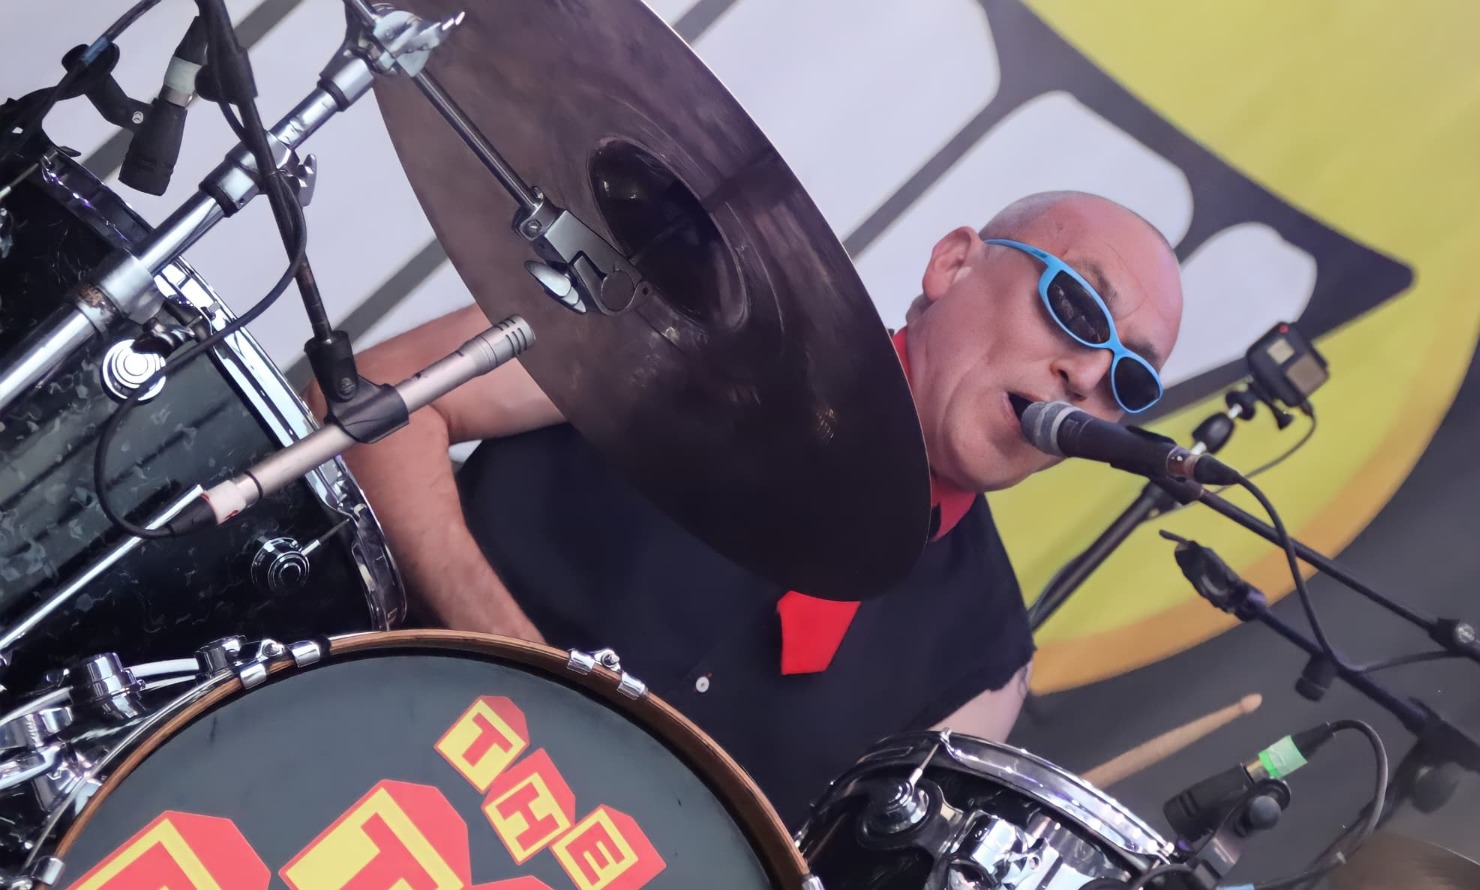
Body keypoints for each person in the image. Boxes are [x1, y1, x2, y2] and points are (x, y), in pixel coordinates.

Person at [331, 190, 1184, 825]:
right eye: (1075, 307)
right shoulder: (695, 319)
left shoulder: (986, 665)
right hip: (342, 736)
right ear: (953, 263)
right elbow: (372, 403)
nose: (1086, 374)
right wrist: (520, 663)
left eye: (1130, 379)